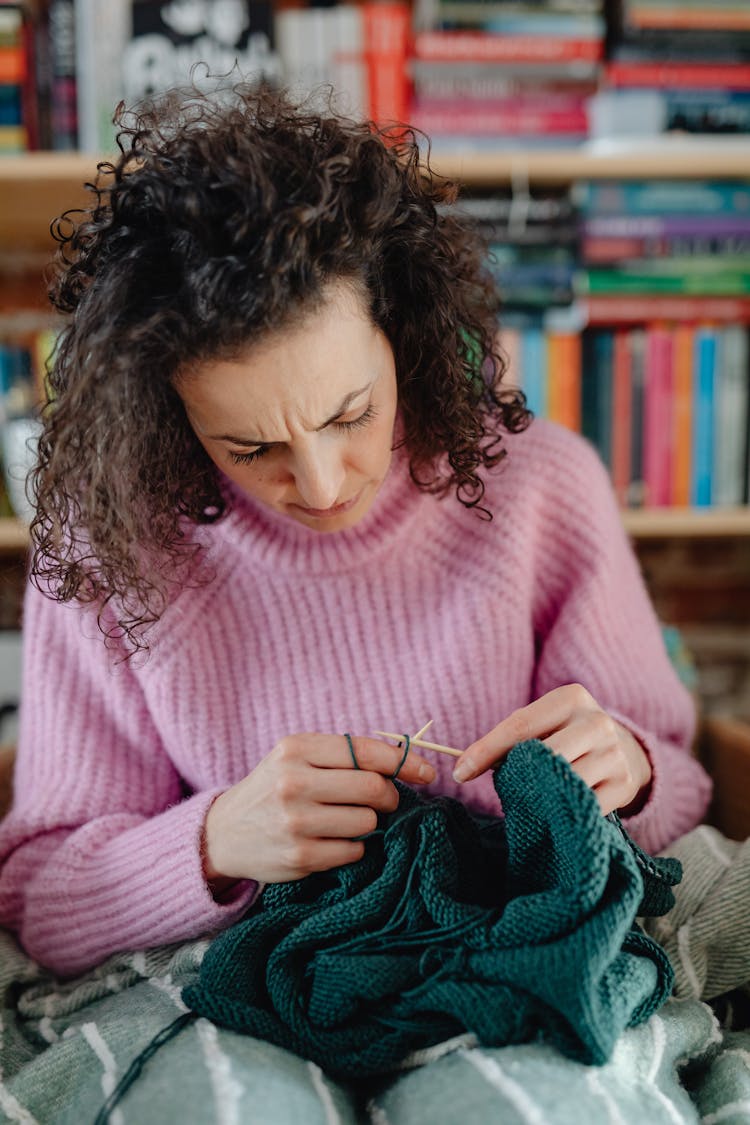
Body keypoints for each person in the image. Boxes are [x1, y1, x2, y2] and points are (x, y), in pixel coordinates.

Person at [0, 84, 711, 981]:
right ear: (168, 418)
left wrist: (631, 774)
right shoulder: (104, 546)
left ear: (403, 335)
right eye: (251, 447)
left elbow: (685, 789)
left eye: (351, 414)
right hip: (240, 985)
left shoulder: (542, 485)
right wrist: (214, 841)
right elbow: (39, 896)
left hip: (502, 962)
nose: (324, 484)